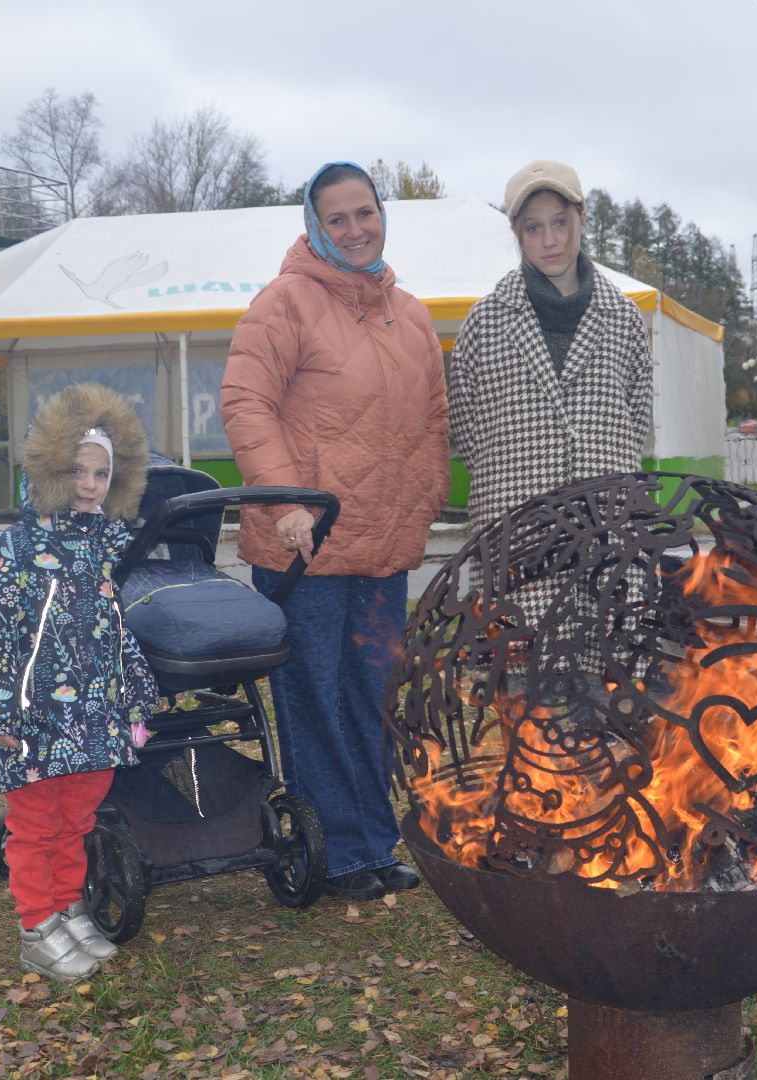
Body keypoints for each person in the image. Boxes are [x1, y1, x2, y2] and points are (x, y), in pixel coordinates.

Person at [221, 161, 449, 902]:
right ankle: (337, 853)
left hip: (382, 548)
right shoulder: (284, 302)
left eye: (365, 213)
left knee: (373, 695)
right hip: (307, 549)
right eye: (338, 218)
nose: (355, 229)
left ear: (383, 215)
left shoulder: (409, 314)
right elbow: (246, 403)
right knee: (314, 698)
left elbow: (432, 419)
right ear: (316, 226)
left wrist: (428, 496)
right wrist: (284, 501)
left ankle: (374, 841)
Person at [0, 382, 160, 980]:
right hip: (35, 717)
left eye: (102, 474)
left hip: (95, 714)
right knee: (34, 825)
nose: (88, 485)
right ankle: (36, 928)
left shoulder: (108, 547)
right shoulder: (12, 549)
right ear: (51, 467)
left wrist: (136, 697)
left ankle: (67, 909)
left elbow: (118, 626)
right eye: (77, 470)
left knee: (77, 820)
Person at [448, 160, 653, 530]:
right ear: (516, 232)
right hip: (516, 536)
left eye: (560, 221)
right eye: (533, 227)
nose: (550, 240)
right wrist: (517, 478)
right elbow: (468, 434)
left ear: (582, 219)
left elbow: (635, 423)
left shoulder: (624, 318)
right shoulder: (484, 322)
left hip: (608, 532)